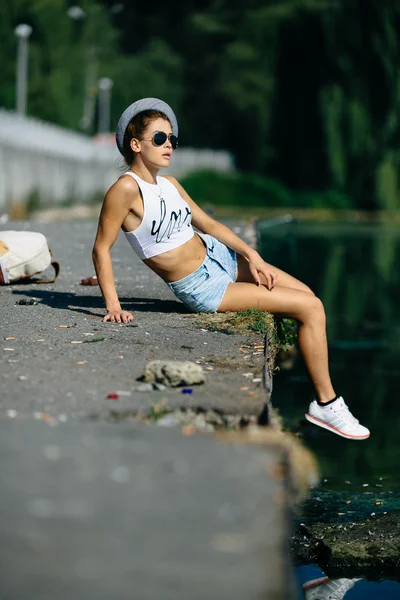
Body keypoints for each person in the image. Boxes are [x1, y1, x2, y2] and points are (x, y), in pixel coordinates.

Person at [92, 97, 370, 441]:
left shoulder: (170, 185)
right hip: (203, 286)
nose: (169, 147)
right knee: (312, 308)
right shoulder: (125, 189)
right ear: (136, 144)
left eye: (172, 140)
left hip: (220, 258)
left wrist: (251, 254)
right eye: (160, 139)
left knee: (307, 296)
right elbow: (101, 248)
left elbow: (207, 223)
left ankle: (302, 369)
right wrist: (113, 305)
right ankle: (327, 405)